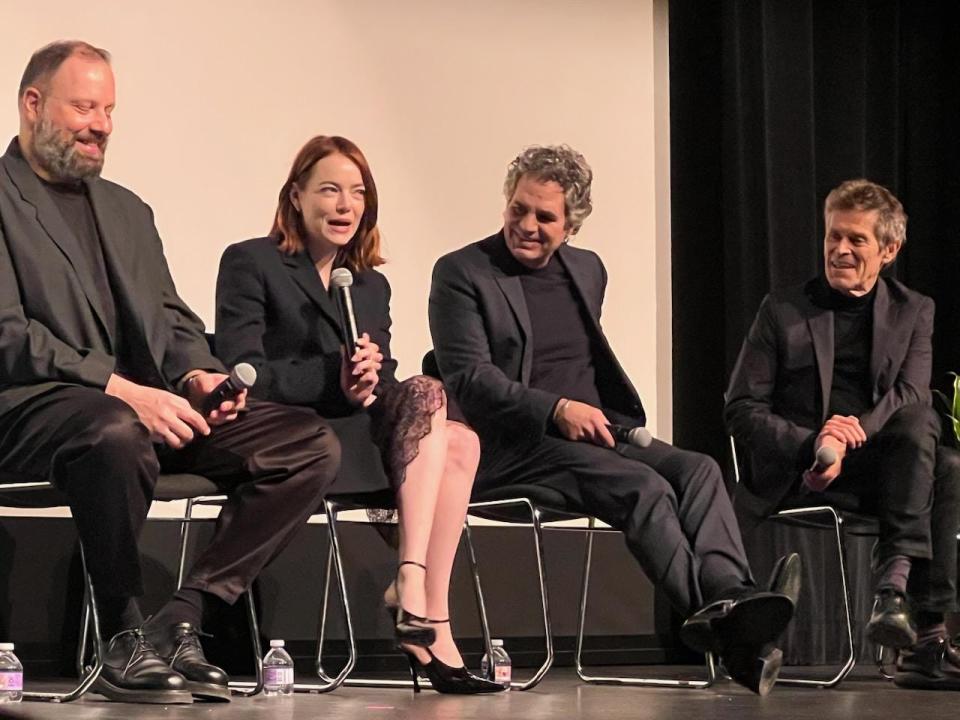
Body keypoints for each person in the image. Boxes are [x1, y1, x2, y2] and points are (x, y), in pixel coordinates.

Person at [0, 41, 342, 704]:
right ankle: (123, 636)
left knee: (305, 443)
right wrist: (125, 389)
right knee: (115, 429)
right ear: (33, 104)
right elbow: (9, 335)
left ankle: (181, 617)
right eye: (84, 107)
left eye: (108, 109)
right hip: (32, 406)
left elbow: (171, 318)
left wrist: (197, 377)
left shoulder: (128, 209)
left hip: (134, 410)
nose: (101, 123)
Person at [428, 144, 800, 696]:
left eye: (545, 217)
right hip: (512, 444)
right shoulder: (462, 273)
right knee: (643, 487)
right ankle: (736, 634)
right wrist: (555, 409)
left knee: (697, 469)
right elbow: (470, 381)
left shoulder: (588, 269)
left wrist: (591, 416)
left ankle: (729, 597)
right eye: (518, 209)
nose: (526, 225)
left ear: (572, 224)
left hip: (598, 433)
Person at [214, 135, 502, 694]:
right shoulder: (251, 261)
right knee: (440, 425)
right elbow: (240, 368)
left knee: (455, 432)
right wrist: (334, 376)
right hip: (290, 438)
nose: (346, 205)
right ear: (296, 196)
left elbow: (386, 386)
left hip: (355, 432)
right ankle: (422, 613)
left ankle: (421, 601)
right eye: (329, 190)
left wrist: (372, 380)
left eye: (357, 192)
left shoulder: (370, 283)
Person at [725, 178, 960, 690]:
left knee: (937, 449)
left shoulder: (914, 310)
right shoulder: (783, 309)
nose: (840, 249)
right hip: (802, 470)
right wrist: (816, 443)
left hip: (882, 469)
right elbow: (741, 408)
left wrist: (851, 433)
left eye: (856, 240)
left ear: (889, 250)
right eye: (834, 236)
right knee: (941, 467)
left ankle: (903, 602)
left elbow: (911, 395)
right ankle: (923, 633)